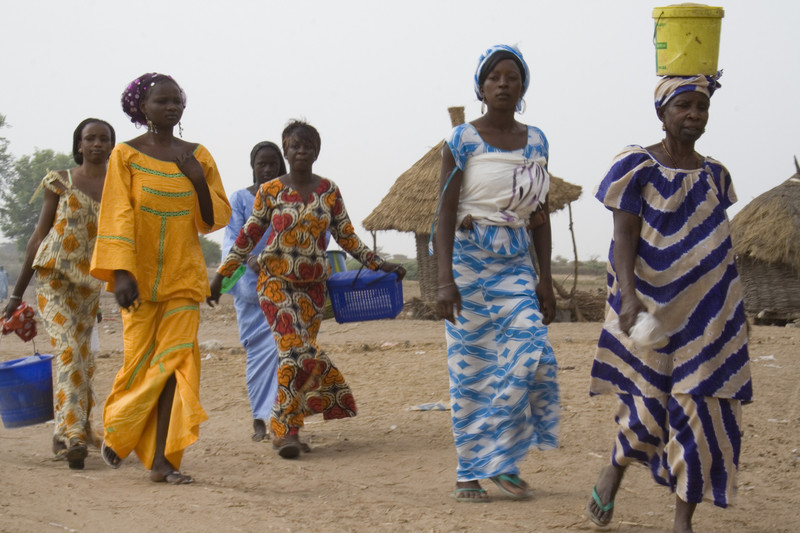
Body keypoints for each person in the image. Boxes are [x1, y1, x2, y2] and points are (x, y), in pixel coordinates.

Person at [585, 73, 752, 533]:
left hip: (711, 316)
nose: (694, 114)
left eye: (701, 106)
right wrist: (628, 296)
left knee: (704, 412)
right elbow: (623, 238)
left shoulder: (717, 175)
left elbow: (717, 246)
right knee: (646, 408)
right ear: (662, 113)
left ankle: (683, 521)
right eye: (684, 106)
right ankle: (616, 466)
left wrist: (737, 316)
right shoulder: (635, 166)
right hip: (647, 309)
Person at [209, 120, 405, 459]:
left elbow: (347, 237)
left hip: (313, 290)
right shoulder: (270, 191)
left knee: (300, 357)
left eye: (307, 146)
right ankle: (284, 429)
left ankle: (292, 428)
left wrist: (379, 264)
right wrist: (219, 277)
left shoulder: (328, 191)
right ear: (286, 150)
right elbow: (248, 236)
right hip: (274, 283)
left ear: (316, 151)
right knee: (293, 351)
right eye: (295, 146)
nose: (301, 152)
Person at [90, 73, 231, 484]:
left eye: (177, 101)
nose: (172, 107)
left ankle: (163, 461)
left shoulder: (198, 155)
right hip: (138, 279)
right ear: (142, 108)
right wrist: (120, 274)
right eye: (162, 101)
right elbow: (116, 213)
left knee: (176, 364)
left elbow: (212, 217)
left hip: (184, 278)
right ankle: (121, 427)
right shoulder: (125, 156)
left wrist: (198, 180)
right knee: (138, 364)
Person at [434, 44, 559, 503]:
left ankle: (499, 457)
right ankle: (472, 468)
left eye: (513, 76)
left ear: (523, 86)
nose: (504, 83)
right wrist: (444, 280)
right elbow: (445, 212)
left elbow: (540, 213)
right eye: (495, 77)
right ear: (481, 88)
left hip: (516, 265)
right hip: (469, 263)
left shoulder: (538, 140)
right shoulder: (462, 140)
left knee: (531, 353)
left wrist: (545, 278)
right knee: (471, 371)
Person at [3, 118, 115, 469]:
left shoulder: (120, 186)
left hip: (89, 285)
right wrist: (15, 295)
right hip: (52, 278)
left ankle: (75, 425)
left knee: (86, 359)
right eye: (89, 139)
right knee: (68, 351)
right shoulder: (60, 181)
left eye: (104, 139)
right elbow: (39, 236)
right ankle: (74, 437)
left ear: (113, 146)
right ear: (78, 145)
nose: (96, 144)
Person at [208, 141, 285, 442]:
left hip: (284, 286)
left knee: (284, 353)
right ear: (252, 166)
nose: (267, 169)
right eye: (261, 164)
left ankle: (279, 417)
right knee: (257, 352)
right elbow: (233, 238)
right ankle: (259, 417)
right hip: (249, 290)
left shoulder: (288, 196)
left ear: (281, 166)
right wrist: (247, 260)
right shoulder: (240, 199)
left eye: (272, 164)